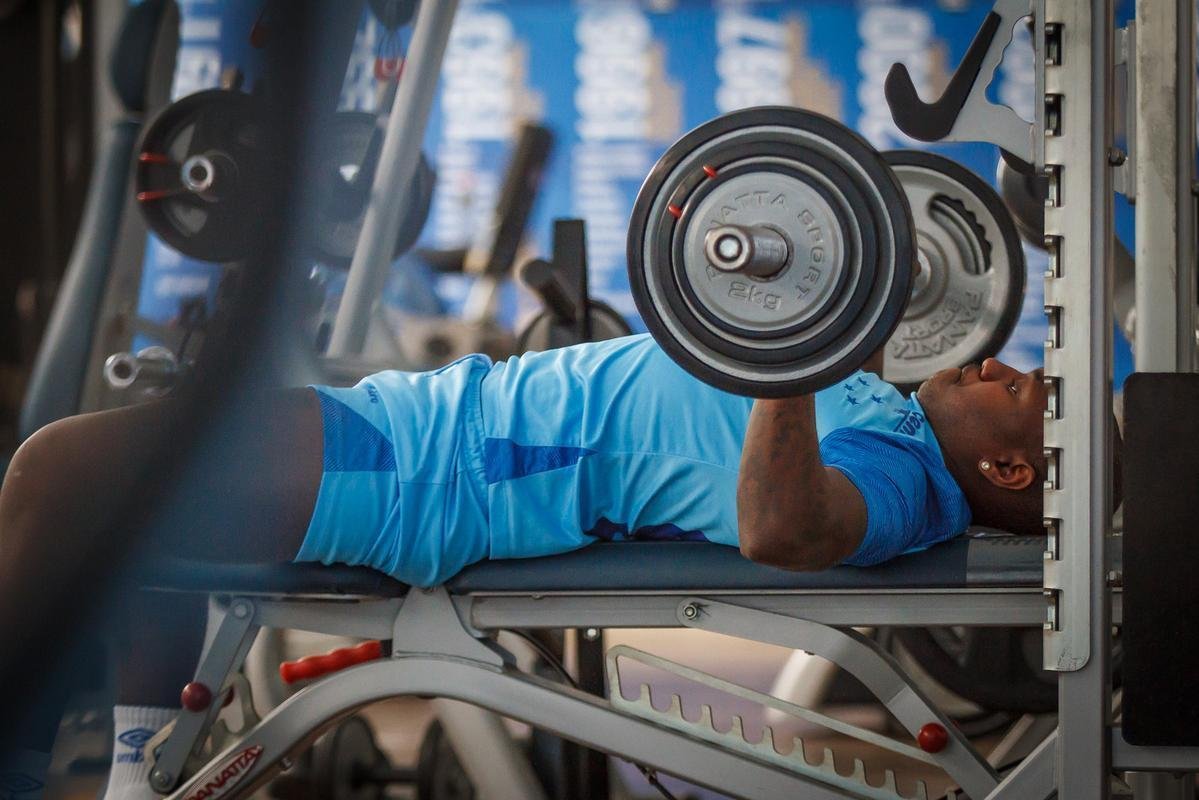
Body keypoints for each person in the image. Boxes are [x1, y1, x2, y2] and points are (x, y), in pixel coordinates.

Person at [0, 332, 1071, 800]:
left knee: (54, 473)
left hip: (435, 469)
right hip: (429, 437)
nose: (1001, 363)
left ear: (1010, 464)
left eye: (1019, 387)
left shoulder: (896, 476)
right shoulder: (890, 419)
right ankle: (139, 771)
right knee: (121, 516)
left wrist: (785, 349)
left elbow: (783, 528)